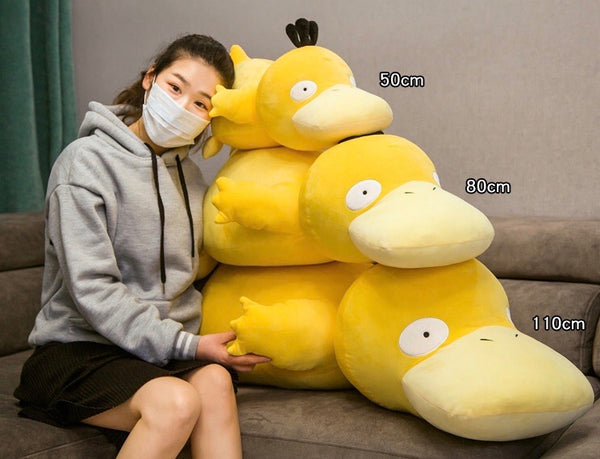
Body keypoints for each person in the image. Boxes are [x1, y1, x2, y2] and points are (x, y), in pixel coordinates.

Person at [13, 34, 270, 459]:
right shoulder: (84, 163)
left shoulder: (192, 180)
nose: (182, 107)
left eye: (201, 103)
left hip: (152, 353)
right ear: (150, 78)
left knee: (215, 382)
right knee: (176, 402)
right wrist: (188, 345)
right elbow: (94, 291)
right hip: (78, 350)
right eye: (175, 87)